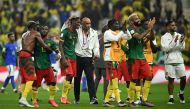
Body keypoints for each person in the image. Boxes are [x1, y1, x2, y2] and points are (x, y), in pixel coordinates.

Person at [18, 21, 52, 107]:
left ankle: (21, 100)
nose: (38, 26)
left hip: (22, 55)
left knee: (24, 79)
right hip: (27, 55)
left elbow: (24, 47)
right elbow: (43, 45)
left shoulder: (24, 34)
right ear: (33, 26)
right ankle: (23, 98)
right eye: (36, 25)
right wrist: (49, 50)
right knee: (31, 78)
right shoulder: (36, 33)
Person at [127, 13, 155, 107]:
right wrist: (148, 29)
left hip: (142, 58)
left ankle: (144, 100)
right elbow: (138, 37)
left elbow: (150, 38)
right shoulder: (130, 29)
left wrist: (151, 28)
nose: (138, 19)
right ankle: (131, 101)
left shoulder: (141, 29)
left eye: (138, 18)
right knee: (134, 79)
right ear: (131, 22)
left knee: (149, 76)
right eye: (136, 18)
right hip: (133, 58)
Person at [103, 19, 131, 107]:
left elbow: (129, 37)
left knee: (112, 81)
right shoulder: (107, 32)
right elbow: (115, 38)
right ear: (110, 25)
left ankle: (106, 101)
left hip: (116, 59)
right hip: (110, 59)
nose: (118, 25)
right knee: (115, 79)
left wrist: (126, 30)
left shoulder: (119, 32)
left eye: (118, 23)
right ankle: (119, 101)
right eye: (116, 24)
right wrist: (122, 31)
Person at [32, 25, 59, 108]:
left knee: (53, 82)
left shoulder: (51, 41)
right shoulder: (35, 41)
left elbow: (56, 50)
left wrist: (58, 54)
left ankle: (51, 99)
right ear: (40, 30)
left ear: (48, 31)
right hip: (38, 66)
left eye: (46, 29)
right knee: (36, 85)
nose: (44, 30)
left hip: (47, 66)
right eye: (43, 29)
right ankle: (34, 101)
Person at [74, 17, 99, 104]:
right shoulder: (76, 31)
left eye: (89, 23)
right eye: (86, 23)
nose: (88, 25)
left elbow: (96, 45)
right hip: (78, 56)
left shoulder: (94, 32)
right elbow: (65, 28)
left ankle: (93, 98)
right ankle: (77, 98)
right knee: (77, 79)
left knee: (90, 78)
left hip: (89, 57)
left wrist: (96, 53)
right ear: (82, 24)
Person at [161, 20, 186, 104]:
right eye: (172, 25)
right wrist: (174, 41)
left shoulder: (179, 35)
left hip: (179, 60)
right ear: (167, 27)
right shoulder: (164, 37)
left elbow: (182, 48)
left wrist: (182, 42)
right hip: (169, 61)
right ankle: (171, 97)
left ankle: (181, 93)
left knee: (183, 78)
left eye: (174, 25)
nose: (174, 26)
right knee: (171, 80)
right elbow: (166, 49)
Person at [59, 17, 81, 104]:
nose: (79, 24)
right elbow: (60, 45)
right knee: (69, 75)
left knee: (71, 78)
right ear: (73, 22)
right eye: (78, 23)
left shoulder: (76, 33)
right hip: (66, 57)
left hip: (73, 57)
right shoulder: (65, 32)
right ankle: (63, 97)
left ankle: (65, 97)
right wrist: (63, 58)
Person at [94, 25, 109, 100]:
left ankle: (93, 97)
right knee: (106, 79)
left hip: (97, 60)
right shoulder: (108, 37)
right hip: (104, 61)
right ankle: (105, 98)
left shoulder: (97, 36)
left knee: (97, 78)